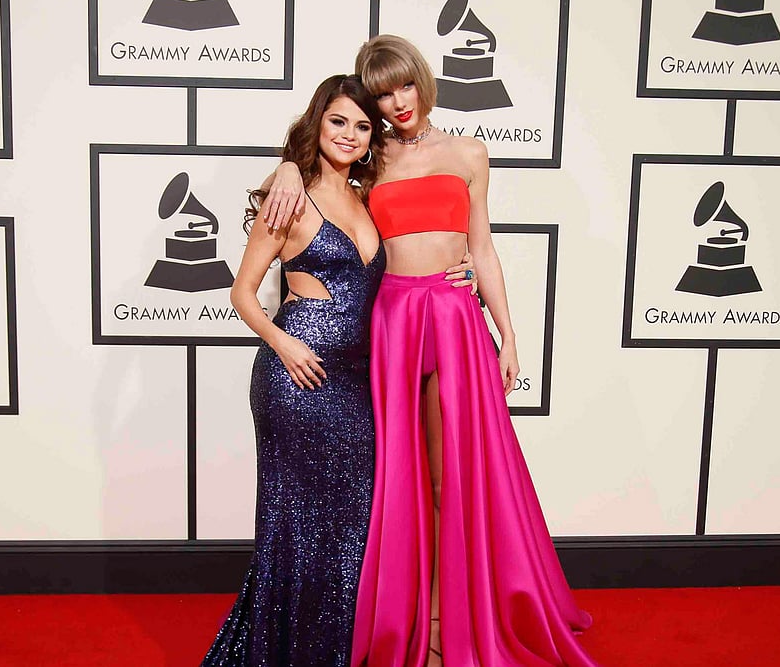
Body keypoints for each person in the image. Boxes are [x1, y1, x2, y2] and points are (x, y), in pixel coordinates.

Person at [262, 36, 599, 666]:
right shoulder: (370, 158)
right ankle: (404, 615)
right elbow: (312, 179)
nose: (397, 102)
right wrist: (285, 165)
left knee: (449, 477)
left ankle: (445, 620)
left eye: (404, 86)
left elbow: (483, 246)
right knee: (397, 474)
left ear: (422, 80)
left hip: (452, 319)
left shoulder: (469, 153)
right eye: (382, 94)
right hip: (390, 321)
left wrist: (508, 333)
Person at [201, 74, 473, 667]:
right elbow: (242, 292)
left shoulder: (368, 195)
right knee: (295, 524)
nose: (350, 134)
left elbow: (421, 241)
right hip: (297, 376)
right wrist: (284, 344)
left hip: (357, 379)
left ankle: (339, 648)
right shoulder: (289, 197)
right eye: (338, 121)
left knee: (353, 522)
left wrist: (466, 262)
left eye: (362, 126)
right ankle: (287, 651)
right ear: (317, 123)